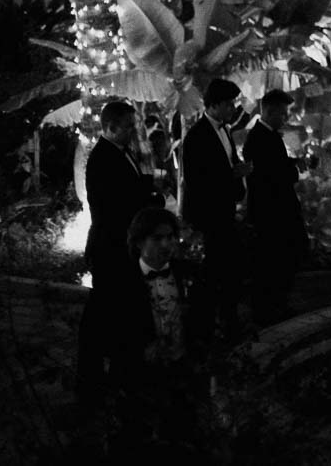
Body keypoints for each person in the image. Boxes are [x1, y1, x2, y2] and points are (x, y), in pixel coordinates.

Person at [103, 207, 209, 456]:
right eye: (158, 238)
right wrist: (140, 351)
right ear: (139, 242)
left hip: (181, 368)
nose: (167, 244)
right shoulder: (120, 282)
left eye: (171, 237)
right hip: (138, 376)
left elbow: (202, 319)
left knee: (182, 437)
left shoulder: (188, 274)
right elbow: (109, 332)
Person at [76, 99, 161, 402]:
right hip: (110, 244)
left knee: (111, 308)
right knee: (103, 308)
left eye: (131, 126)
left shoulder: (121, 153)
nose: (131, 132)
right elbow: (115, 204)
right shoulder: (103, 158)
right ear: (110, 127)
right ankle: (94, 373)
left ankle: (113, 368)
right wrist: (147, 196)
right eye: (126, 127)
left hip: (120, 243)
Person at [180, 77, 253, 339]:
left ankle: (228, 322)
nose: (233, 109)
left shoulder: (225, 131)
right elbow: (197, 180)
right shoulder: (196, 137)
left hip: (225, 213)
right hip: (208, 217)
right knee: (212, 275)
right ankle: (207, 328)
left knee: (229, 271)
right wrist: (232, 175)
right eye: (229, 104)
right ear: (214, 105)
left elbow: (228, 163)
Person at [242, 89, 308, 324]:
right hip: (271, 212)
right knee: (274, 261)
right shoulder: (260, 137)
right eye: (282, 113)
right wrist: (293, 170)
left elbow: (275, 165)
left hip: (275, 210)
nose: (285, 118)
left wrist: (294, 163)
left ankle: (275, 306)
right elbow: (270, 173)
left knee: (280, 260)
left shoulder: (267, 136)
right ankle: (270, 309)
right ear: (269, 112)